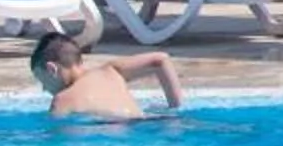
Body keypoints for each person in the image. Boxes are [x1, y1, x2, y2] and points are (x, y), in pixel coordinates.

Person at [29, 33, 183, 122]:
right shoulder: (112, 70)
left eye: (43, 80)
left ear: (52, 69)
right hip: (148, 122)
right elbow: (160, 60)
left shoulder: (62, 100)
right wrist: (175, 110)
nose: (44, 89)